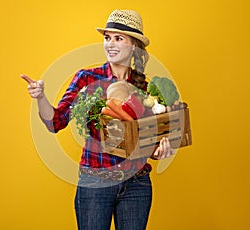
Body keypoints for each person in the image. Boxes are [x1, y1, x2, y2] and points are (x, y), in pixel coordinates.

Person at [21, 9, 173, 230]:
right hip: (95, 181)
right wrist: (40, 97)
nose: (110, 44)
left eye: (118, 38)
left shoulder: (145, 86)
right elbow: (56, 122)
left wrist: (160, 150)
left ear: (133, 46)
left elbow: (146, 140)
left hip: (136, 184)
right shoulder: (87, 78)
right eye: (107, 38)